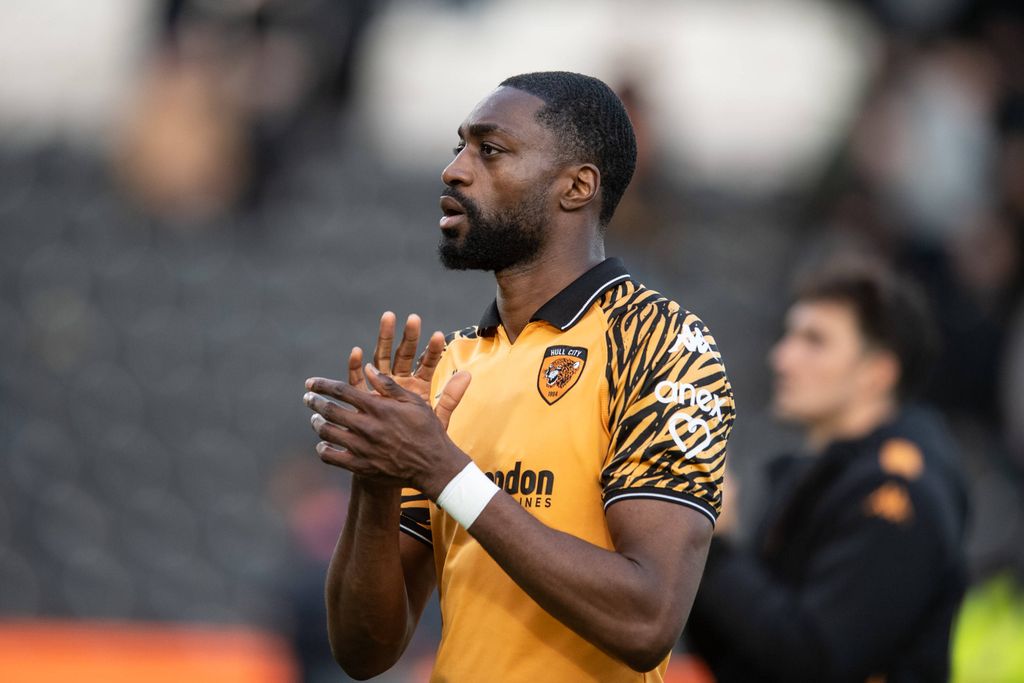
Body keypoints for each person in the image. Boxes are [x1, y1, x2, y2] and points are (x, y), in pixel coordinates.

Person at [302, 71, 735, 682]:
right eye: (459, 147)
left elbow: (646, 621)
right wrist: (378, 481)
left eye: (490, 150)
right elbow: (363, 650)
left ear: (577, 186)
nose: (454, 170)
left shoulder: (659, 342)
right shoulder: (453, 364)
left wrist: (442, 470)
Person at [686, 261, 968, 682]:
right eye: (788, 336)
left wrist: (721, 548)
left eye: (814, 341)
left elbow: (818, 661)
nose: (781, 358)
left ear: (877, 373)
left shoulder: (896, 494)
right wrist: (697, 542)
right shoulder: (809, 477)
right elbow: (743, 657)